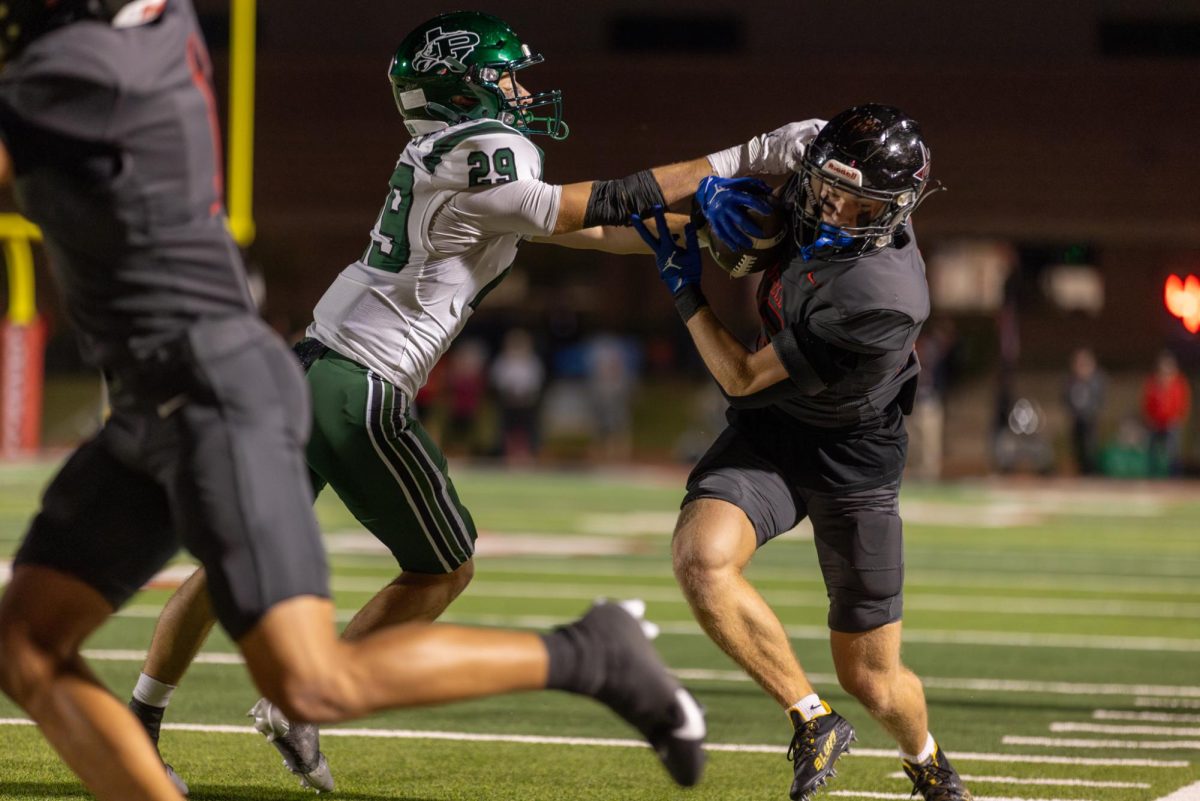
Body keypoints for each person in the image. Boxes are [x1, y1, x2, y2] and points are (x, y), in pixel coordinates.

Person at [0, 5, 712, 800]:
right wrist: (714, 203)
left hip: (243, 375)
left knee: (311, 666)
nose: (519, 90)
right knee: (37, 640)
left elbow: (592, 218)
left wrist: (713, 204)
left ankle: (587, 654)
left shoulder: (88, 66)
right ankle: (147, 722)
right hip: (278, 378)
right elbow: (583, 215)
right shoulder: (473, 152)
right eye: (505, 76)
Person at [633, 104, 973, 801]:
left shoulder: (887, 295)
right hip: (777, 430)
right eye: (829, 186)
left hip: (853, 454)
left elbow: (741, 375)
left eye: (857, 201)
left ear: (893, 208)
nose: (834, 206)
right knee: (701, 557)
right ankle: (810, 716)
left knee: (873, 678)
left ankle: (928, 760)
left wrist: (683, 285)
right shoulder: (810, 186)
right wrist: (533, 220)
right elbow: (648, 223)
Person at [1142, 349, 1191, 477]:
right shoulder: (1153, 383)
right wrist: (1150, 419)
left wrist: (1176, 419)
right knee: (1151, 450)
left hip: (1171, 423)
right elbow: (1147, 403)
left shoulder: (1179, 383)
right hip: (1155, 423)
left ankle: (1175, 477)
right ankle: (1151, 476)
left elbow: (1182, 404)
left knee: (1173, 451)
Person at [1063, 346, 1105, 475]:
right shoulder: (1071, 381)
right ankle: (1080, 473)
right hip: (1077, 419)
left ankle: (1092, 473)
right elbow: (1066, 398)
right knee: (1077, 448)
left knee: (1090, 448)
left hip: (1090, 419)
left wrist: (1091, 412)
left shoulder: (1096, 380)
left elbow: (1099, 399)